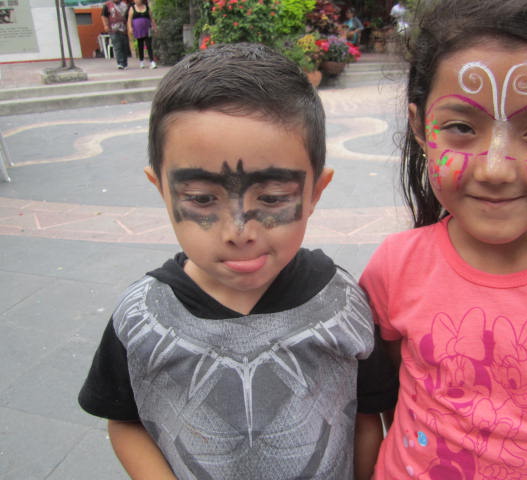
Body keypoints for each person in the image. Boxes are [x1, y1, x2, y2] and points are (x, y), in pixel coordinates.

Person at [357, 0, 527, 479]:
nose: (494, 169)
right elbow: (378, 405)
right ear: (420, 128)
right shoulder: (395, 266)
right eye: (462, 127)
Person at [78, 43, 378, 479]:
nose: (239, 232)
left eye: (273, 198)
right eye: (201, 199)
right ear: (161, 189)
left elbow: (369, 414)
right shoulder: (140, 317)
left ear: (316, 191)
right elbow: (123, 418)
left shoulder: (344, 304)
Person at [127, 0, 157, 69]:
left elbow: (151, 18)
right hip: (138, 30)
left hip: (147, 29)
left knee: (149, 45)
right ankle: (141, 61)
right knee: (140, 45)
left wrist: (154, 27)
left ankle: (152, 61)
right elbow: (129, 19)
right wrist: (130, 27)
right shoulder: (132, 8)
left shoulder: (146, 7)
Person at [102, 0, 129, 70]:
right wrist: (106, 25)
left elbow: (128, 16)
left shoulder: (124, 5)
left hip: (124, 29)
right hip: (113, 29)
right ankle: (120, 63)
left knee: (125, 46)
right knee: (117, 46)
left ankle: (125, 63)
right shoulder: (107, 5)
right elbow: (104, 16)